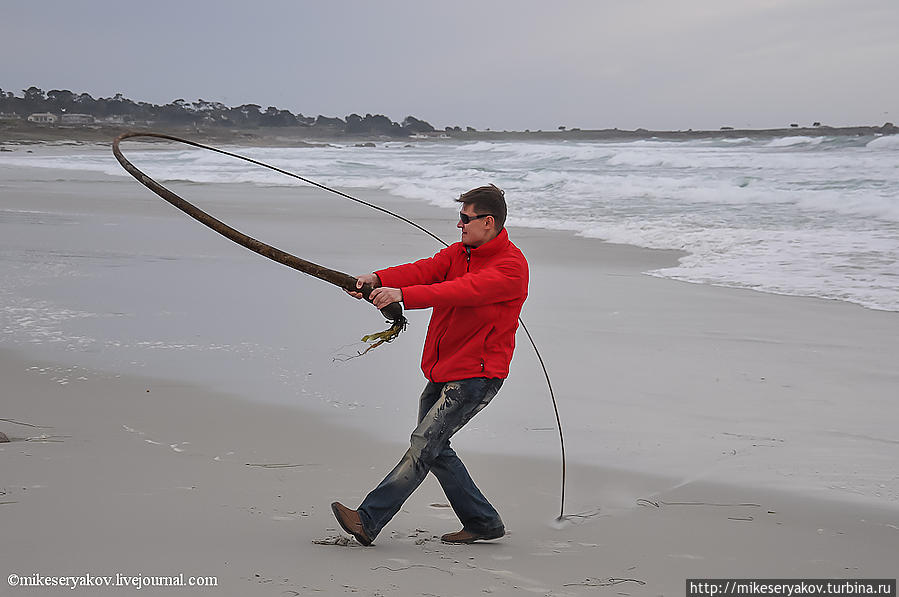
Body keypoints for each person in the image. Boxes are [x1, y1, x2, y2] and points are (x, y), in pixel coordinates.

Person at [331, 184, 529, 546]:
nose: (459, 225)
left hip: (478, 375)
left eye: (465, 219)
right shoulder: (459, 253)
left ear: (488, 222)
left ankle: (368, 519)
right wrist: (379, 279)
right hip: (444, 368)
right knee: (434, 449)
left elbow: (459, 290)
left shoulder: (510, 267)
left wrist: (402, 296)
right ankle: (483, 522)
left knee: (424, 443)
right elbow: (425, 270)